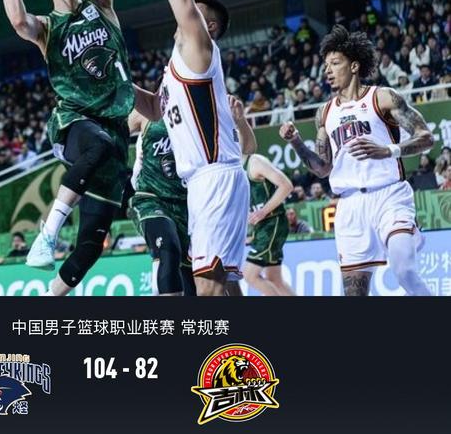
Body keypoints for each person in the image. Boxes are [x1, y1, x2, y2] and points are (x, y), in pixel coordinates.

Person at [0, 0, 157, 297]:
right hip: (74, 123)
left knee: (92, 244)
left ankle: (49, 298)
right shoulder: (49, 27)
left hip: (115, 132)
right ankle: (47, 233)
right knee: (97, 144)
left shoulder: (101, 6)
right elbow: (18, 21)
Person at [130, 0, 249, 296]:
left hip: (214, 177)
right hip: (203, 183)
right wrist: (116, 80)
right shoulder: (175, 71)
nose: (185, 16)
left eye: (195, 13)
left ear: (208, 26)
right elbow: (156, 110)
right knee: (225, 287)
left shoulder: (200, 48)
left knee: (208, 290)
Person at [279, 25, 434, 296]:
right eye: (325, 65)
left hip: (389, 195)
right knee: (354, 296)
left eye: (335, 63)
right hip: (350, 205)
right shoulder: (324, 113)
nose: (327, 71)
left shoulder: (382, 97)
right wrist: (295, 142)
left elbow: (426, 137)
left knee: (404, 271)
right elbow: (322, 168)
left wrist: (389, 151)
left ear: (353, 66)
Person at [128, 95, 255, 296]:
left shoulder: (205, 110)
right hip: (151, 197)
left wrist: (240, 120)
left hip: (191, 203)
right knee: (168, 247)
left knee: (207, 281)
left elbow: (248, 148)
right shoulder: (147, 111)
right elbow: (115, 135)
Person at [243, 154, 296, 296]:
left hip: (272, 222)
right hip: (261, 228)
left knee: (249, 275)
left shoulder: (254, 161)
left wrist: (263, 211)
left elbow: (286, 186)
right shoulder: (235, 167)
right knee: (275, 280)